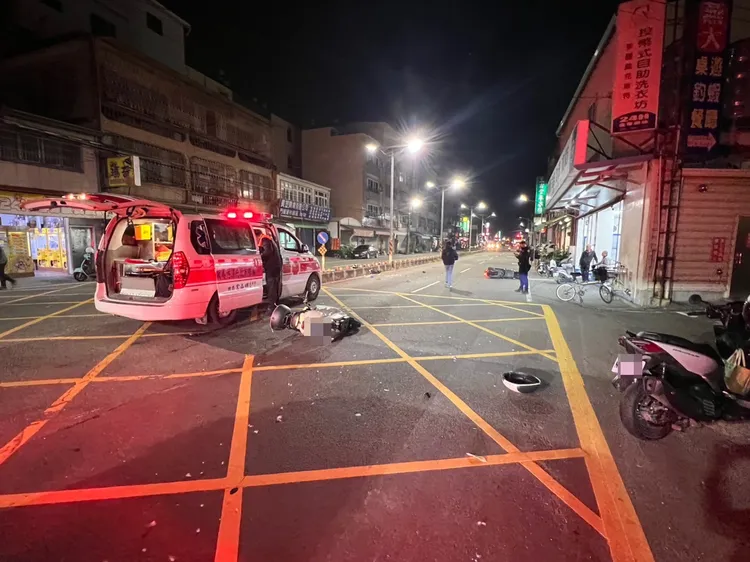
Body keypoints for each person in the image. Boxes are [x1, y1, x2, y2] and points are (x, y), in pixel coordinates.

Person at [260, 236, 283, 307]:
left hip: (272, 268)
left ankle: (271, 306)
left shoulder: (265, 240)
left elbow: (267, 252)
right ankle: (275, 303)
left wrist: (259, 256)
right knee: (275, 287)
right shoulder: (271, 240)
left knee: (271, 287)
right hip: (276, 267)